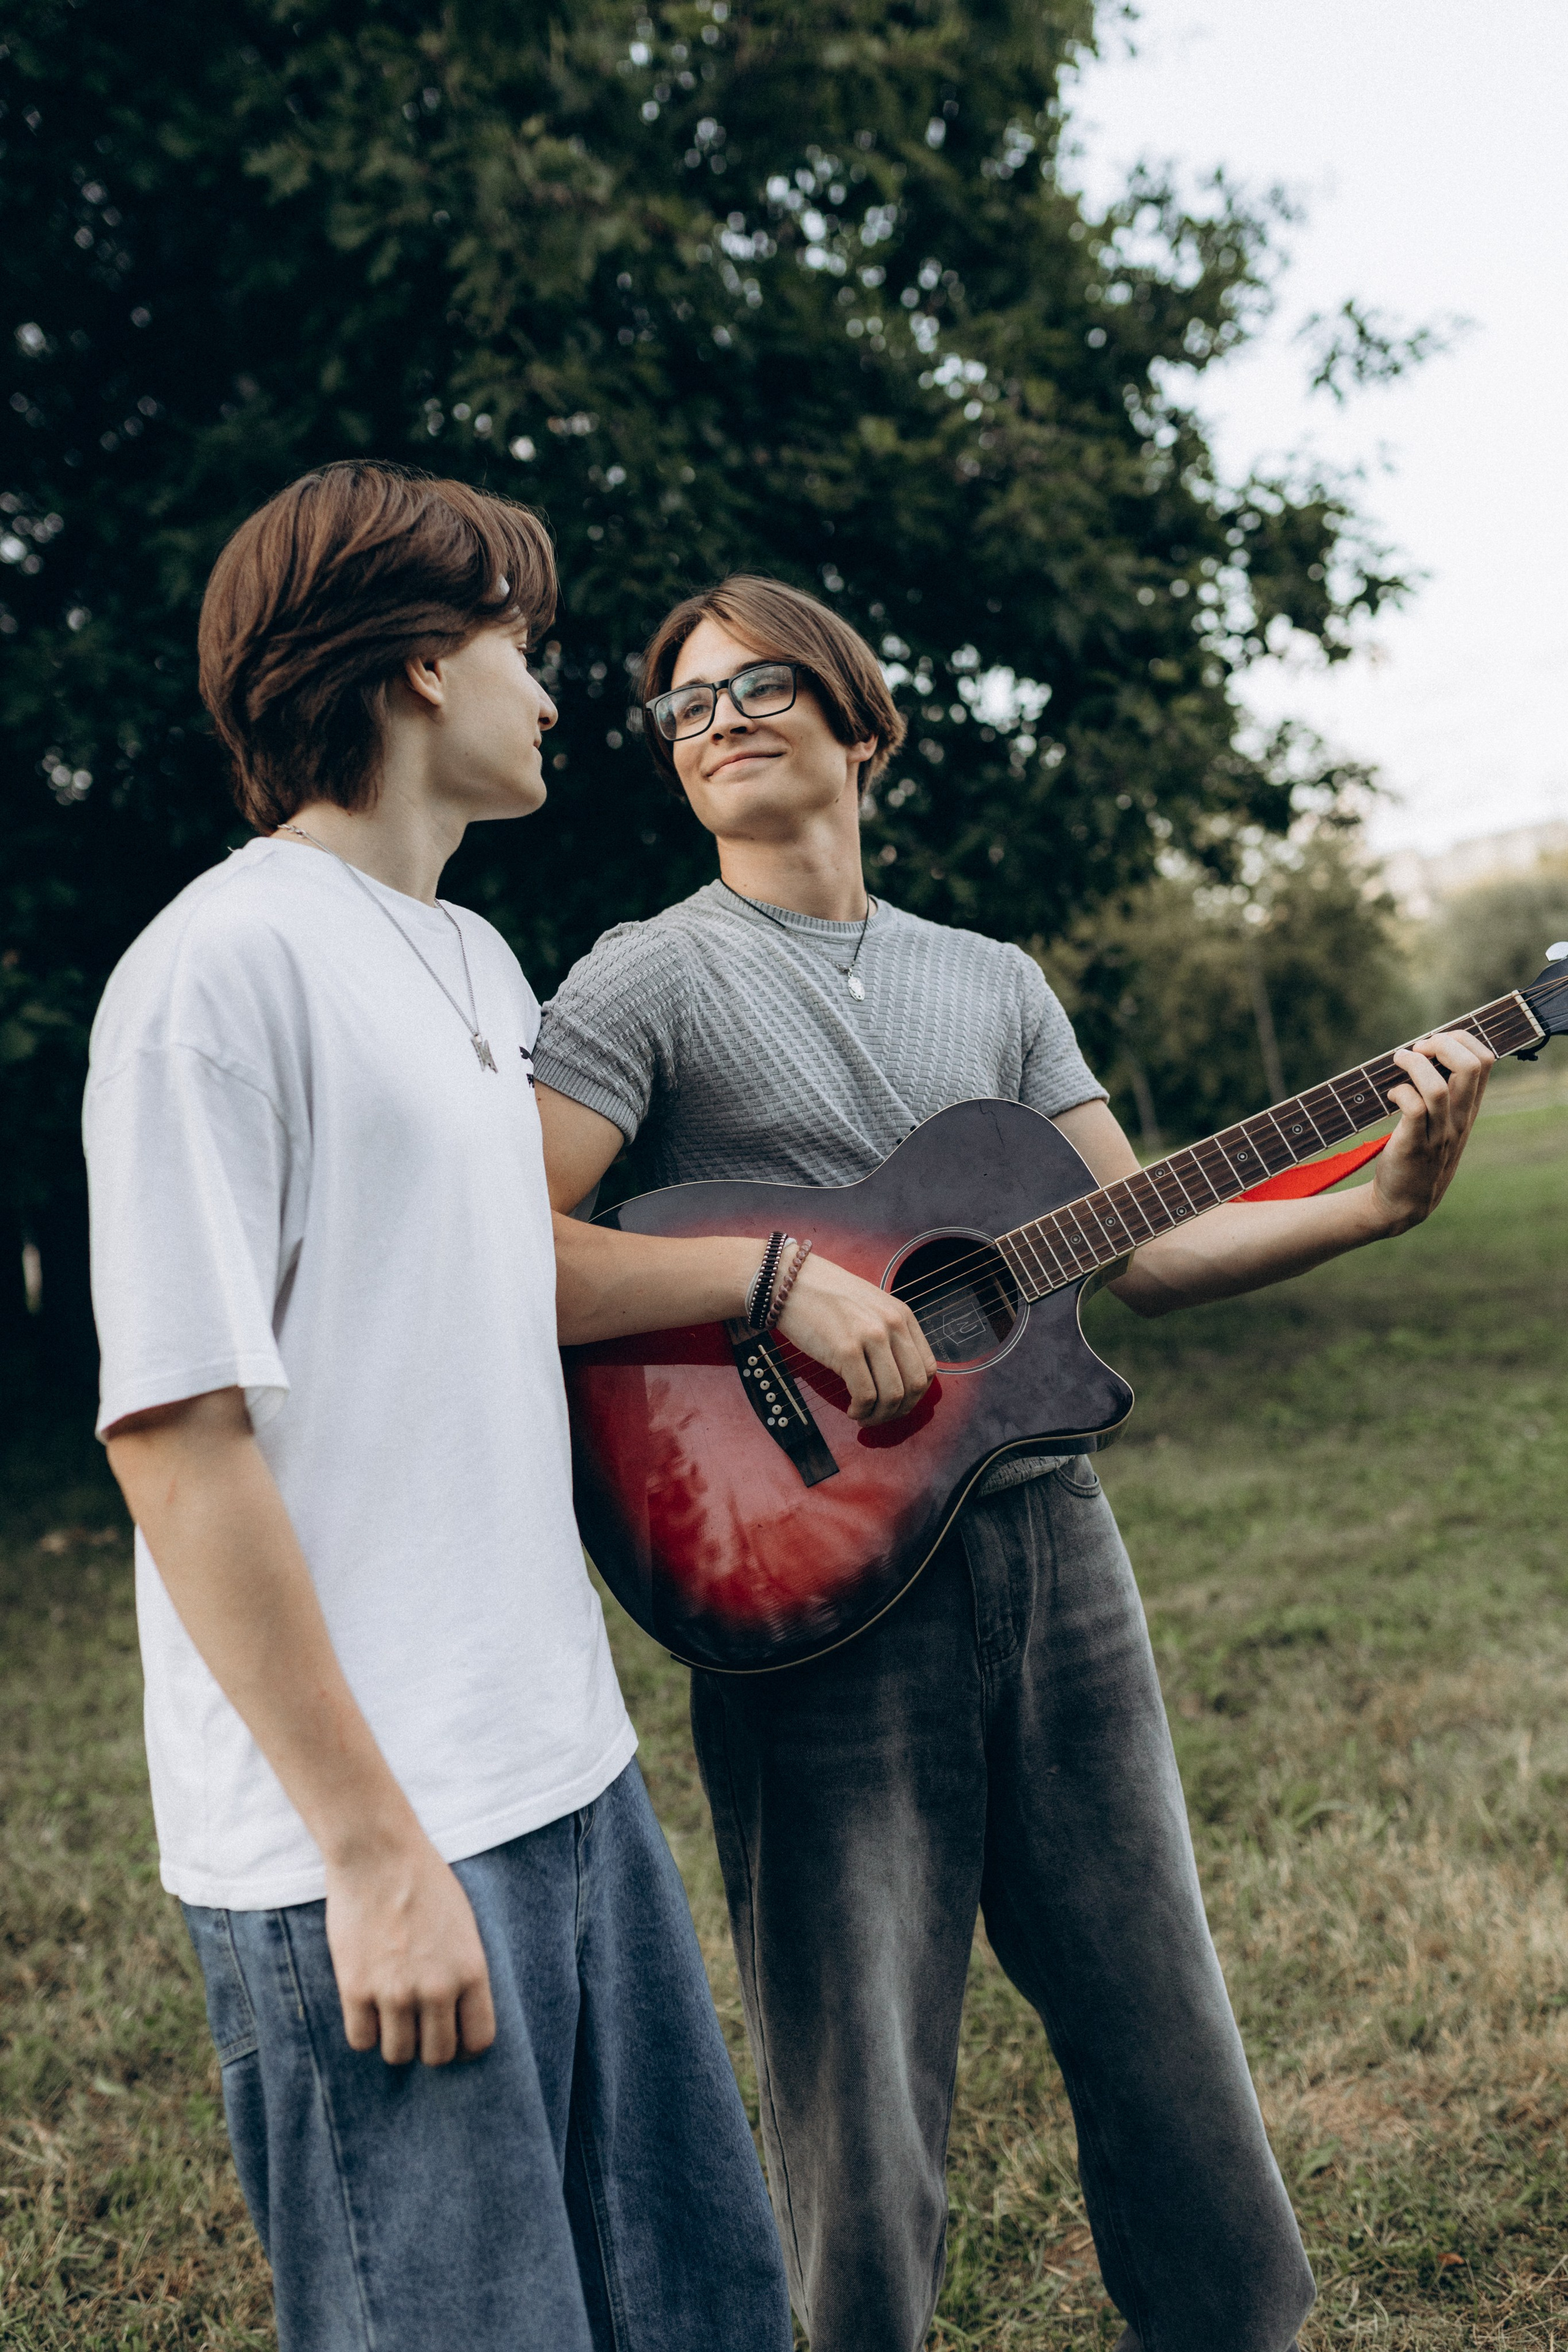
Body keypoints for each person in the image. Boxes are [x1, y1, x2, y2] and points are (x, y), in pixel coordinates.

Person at [531, 575, 1495, 2352]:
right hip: (800, 1580)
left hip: (1054, 1556)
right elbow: (514, 1241)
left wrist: (1375, 1200)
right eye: (682, 708)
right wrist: (771, 1281)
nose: (716, 719)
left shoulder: (992, 983)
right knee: (858, 2090)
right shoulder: (640, 980)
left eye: (757, 689)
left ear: (861, 724)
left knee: (1162, 2019)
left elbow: (1132, 1240)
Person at [85, 472, 930, 2352]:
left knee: (697, 2314)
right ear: (411, 662)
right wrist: (371, 1858)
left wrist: (761, 1272)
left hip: (568, 1777)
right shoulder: (215, 977)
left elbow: (506, 1269)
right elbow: (176, 1432)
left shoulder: (471, 962)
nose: (553, 697)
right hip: (375, 1839)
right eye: (521, 648)